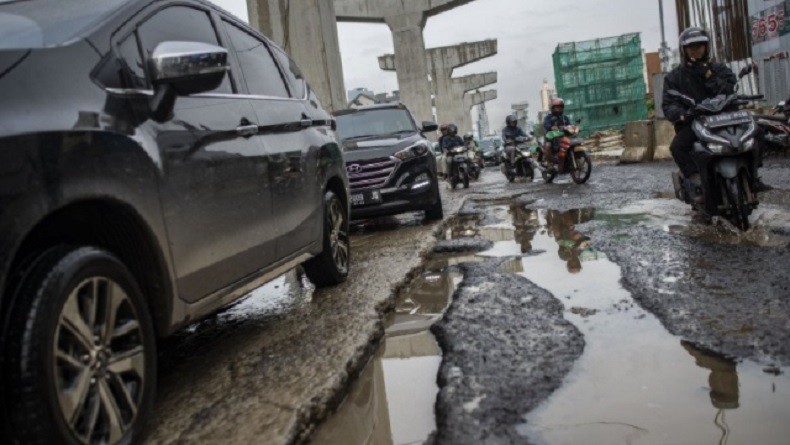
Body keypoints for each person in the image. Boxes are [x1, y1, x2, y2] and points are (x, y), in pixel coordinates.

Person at [662, 27, 770, 201]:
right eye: (691, 47)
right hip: (696, 122)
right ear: (684, 50)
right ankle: (695, 179)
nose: (696, 50)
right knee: (677, 147)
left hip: (726, 118)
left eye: (699, 46)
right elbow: (668, 103)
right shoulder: (674, 77)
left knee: (759, 131)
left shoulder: (718, 69)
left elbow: (729, 88)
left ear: (706, 47)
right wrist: (682, 114)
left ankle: (754, 174)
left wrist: (708, 74)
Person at [543, 98, 571, 171]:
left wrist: (573, 127)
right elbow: (546, 125)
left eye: (560, 107)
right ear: (552, 108)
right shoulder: (548, 117)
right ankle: (549, 164)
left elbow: (569, 125)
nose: (558, 109)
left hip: (563, 137)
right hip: (551, 138)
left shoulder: (565, 118)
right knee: (548, 145)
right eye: (556, 107)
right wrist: (551, 127)